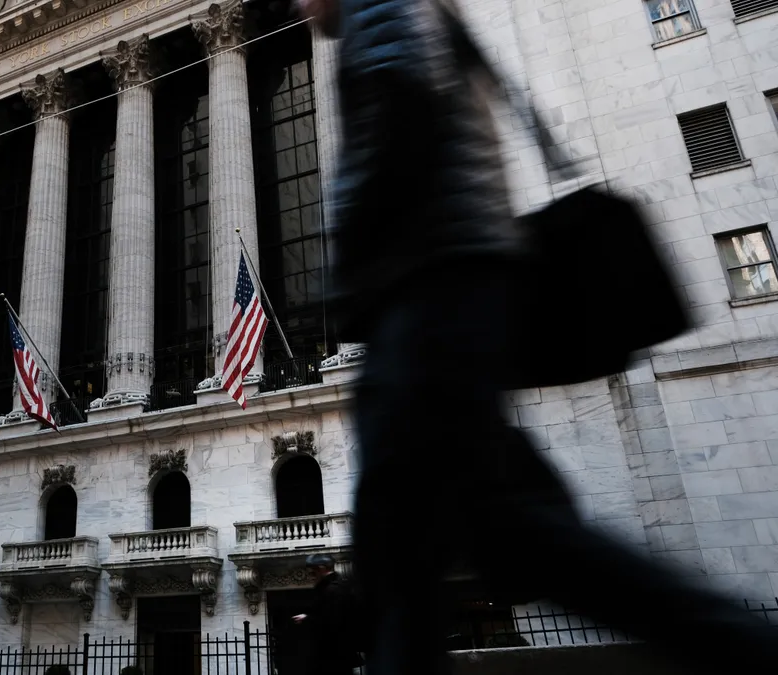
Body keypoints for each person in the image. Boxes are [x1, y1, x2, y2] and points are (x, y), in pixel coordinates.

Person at [294, 0, 778, 673]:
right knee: (453, 540)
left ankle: (744, 643)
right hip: (442, 292)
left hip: (428, 295)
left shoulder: (381, 7)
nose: (296, 6)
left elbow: (400, 119)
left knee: (451, 542)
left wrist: (349, 270)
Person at [292, 554, 362, 675]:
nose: (312, 576)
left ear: (322, 569)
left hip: (333, 655)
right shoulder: (338, 587)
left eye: (313, 572)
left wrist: (307, 619)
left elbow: (332, 622)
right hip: (335, 655)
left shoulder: (333, 590)